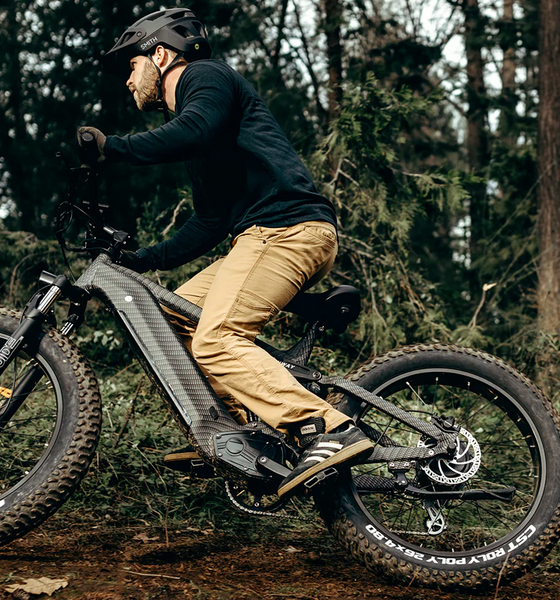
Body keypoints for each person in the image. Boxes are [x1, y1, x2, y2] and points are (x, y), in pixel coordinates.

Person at [77, 8, 371, 497]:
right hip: (258, 238)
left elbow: (195, 129)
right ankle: (237, 434)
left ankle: (328, 427)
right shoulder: (198, 133)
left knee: (216, 338)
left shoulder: (205, 78)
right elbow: (210, 222)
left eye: (131, 66)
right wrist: (144, 259)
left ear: (161, 53)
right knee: (166, 317)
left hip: (285, 231)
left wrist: (116, 148)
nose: (129, 81)